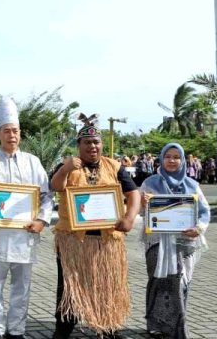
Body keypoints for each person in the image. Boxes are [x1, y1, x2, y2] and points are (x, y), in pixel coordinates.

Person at [49, 113, 140, 339]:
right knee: (69, 289)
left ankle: (108, 329)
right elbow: (54, 186)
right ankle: (63, 331)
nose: (93, 146)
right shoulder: (69, 165)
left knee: (107, 286)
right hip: (73, 241)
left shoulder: (114, 166)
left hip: (106, 240)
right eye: (87, 142)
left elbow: (134, 193)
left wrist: (129, 218)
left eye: (96, 142)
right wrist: (65, 169)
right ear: (79, 145)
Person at [0, 98, 53, 339]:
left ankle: (16, 331)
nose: (12, 135)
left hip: (25, 235)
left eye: (15, 131)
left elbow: (47, 195)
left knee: (22, 287)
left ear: (20, 133)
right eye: (6, 131)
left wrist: (42, 220)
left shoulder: (32, 162)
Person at [139, 143, 209, 338]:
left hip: (184, 243)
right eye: (168, 156)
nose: (171, 160)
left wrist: (199, 228)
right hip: (156, 242)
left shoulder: (192, 185)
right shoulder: (149, 183)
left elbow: (204, 212)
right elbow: (137, 209)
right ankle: (156, 325)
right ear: (161, 159)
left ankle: (177, 326)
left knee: (180, 282)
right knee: (157, 281)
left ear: (183, 160)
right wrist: (142, 204)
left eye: (176, 157)